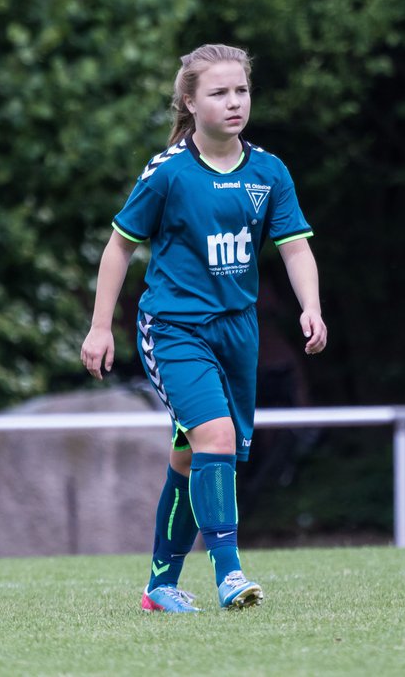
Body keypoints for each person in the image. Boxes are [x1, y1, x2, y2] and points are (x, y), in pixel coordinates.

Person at [80, 44, 327, 612]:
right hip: (173, 329)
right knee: (213, 439)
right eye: (219, 92)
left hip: (238, 334)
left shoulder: (269, 171)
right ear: (189, 103)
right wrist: (99, 328)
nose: (234, 101)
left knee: (196, 457)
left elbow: (295, 248)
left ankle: (160, 586)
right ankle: (230, 573)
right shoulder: (168, 172)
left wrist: (310, 305)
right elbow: (119, 248)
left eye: (241, 90)